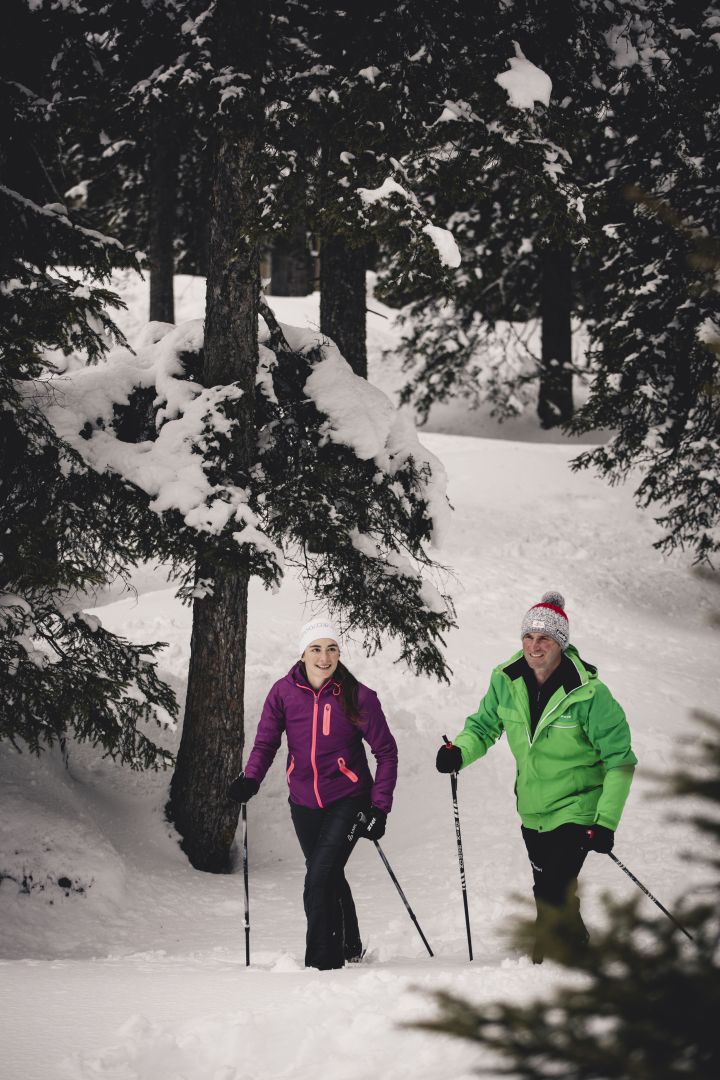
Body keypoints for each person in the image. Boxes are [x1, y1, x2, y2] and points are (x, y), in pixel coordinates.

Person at [436, 590, 636, 963]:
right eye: (528, 636)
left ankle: (545, 961)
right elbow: (483, 727)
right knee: (548, 887)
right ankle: (576, 944)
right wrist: (459, 752)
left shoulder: (590, 694)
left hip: (578, 805)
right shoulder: (506, 680)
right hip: (532, 807)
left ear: (561, 643)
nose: (534, 646)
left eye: (544, 638)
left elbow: (620, 760)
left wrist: (605, 821)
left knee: (553, 888)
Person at [228, 616, 398, 971]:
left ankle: (324, 965)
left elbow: (386, 752)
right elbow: (266, 743)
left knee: (318, 878)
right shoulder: (283, 693)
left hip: (348, 797)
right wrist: (251, 779)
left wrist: (379, 807)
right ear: (302, 653)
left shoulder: (358, 696)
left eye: (332, 649)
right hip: (304, 801)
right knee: (328, 872)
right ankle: (350, 946)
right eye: (316, 649)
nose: (324, 657)